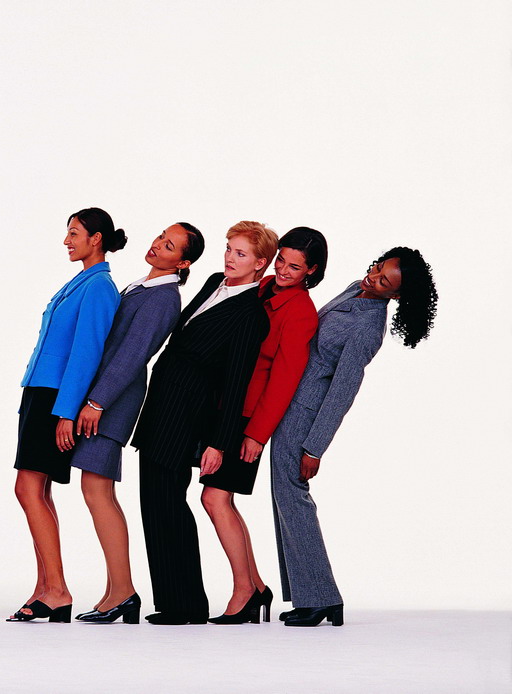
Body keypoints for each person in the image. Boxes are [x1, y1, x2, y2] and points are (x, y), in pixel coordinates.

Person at [273, 247, 437, 627]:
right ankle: (309, 595)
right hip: (291, 399)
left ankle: (322, 599)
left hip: (307, 415)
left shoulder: (367, 329)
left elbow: (342, 392)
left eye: (384, 281)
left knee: (292, 495)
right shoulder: (355, 289)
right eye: (378, 268)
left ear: (396, 295)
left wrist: (315, 448)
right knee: (285, 496)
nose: (373, 278)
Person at [132, 221, 272, 625]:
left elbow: (236, 382)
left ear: (260, 263)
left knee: (168, 501)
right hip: (161, 402)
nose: (230, 257)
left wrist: (219, 443)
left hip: (189, 413)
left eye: (241, 253)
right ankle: (173, 600)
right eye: (229, 248)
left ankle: (186, 604)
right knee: (154, 501)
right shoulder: (213, 281)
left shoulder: (251, 315)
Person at [73, 223, 205, 625]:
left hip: (113, 400)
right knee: (97, 490)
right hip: (104, 397)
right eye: (161, 237)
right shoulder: (143, 287)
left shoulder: (164, 297)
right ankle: (117, 591)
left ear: (182, 263)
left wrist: (97, 401)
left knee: (97, 489)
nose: (157, 245)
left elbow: (133, 354)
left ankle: (123, 593)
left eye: (169, 246)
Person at [198, 226, 326, 624]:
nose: (283, 271)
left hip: (248, 416)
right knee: (218, 499)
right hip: (226, 406)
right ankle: (254, 586)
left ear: (311, 270)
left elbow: (285, 379)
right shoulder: (264, 286)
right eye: (281, 261)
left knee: (214, 498)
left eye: (295, 267)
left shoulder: (300, 311)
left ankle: (244, 591)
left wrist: (257, 434)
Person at [8, 208, 125, 623]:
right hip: (41, 392)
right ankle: (46, 587)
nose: (67, 241)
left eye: (74, 233)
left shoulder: (99, 287)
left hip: (56, 397)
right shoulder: (82, 281)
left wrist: (66, 413)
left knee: (28, 488)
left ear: (97, 239)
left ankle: (57, 590)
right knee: (34, 490)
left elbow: (87, 353)